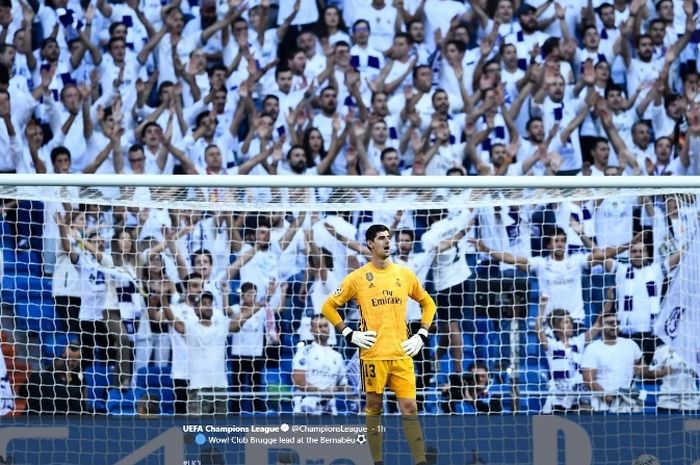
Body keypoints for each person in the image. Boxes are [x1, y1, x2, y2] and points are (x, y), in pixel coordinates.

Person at [322, 223, 437, 465]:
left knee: (410, 408)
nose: (387, 241)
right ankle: (376, 461)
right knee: (374, 406)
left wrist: (421, 334)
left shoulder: (404, 274)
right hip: (372, 354)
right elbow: (328, 306)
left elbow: (429, 304)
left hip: (402, 353)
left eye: (388, 237)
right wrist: (349, 333)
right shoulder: (358, 277)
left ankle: (420, 461)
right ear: (370, 244)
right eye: (381, 238)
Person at [581, 312, 668, 412]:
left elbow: (644, 372)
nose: (614, 325)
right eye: (610, 323)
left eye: (617, 322)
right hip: (603, 407)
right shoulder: (592, 348)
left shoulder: (630, 344)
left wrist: (664, 372)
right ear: (601, 326)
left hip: (628, 405)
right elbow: (588, 379)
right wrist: (607, 397)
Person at [291, 315, 350, 415]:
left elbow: (342, 384)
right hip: (306, 409)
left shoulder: (337, 356)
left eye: (325, 326)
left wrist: (350, 389)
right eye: (319, 326)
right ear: (311, 330)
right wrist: (324, 391)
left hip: (329, 411)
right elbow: (299, 382)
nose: (323, 329)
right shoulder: (304, 352)